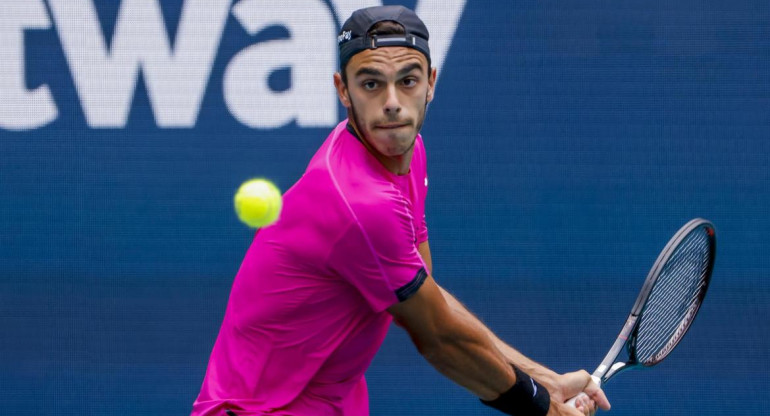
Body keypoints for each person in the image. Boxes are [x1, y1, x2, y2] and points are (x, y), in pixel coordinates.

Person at [191, 6, 611, 416]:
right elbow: (439, 337)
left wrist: (545, 381)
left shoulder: (406, 152)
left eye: (407, 81)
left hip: (331, 400)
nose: (392, 103)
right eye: (371, 84)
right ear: (343, 90)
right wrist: (542, 406)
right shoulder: (360, 201)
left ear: (430, 82)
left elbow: (431, 298)